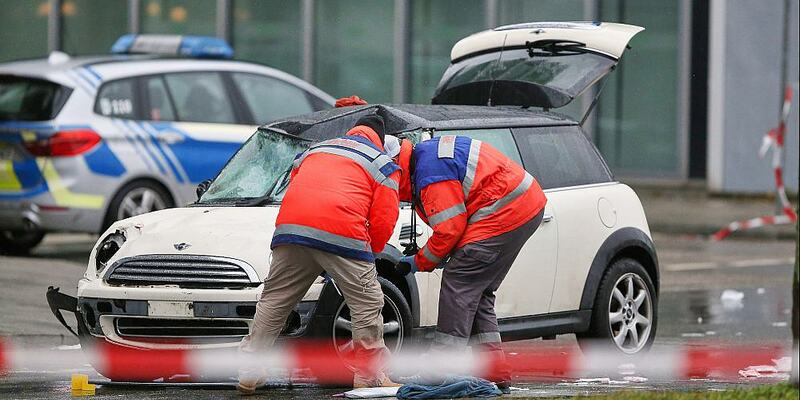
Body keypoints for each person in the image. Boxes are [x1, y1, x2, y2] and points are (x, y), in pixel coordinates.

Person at [237, 113, 403, 394]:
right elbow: (386, 218)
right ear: (380, 139)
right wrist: (367, 256)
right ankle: (369, 375)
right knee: (367, 302)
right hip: (342, 232)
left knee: (275, 300)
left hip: (292, 230)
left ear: (353, 131)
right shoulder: (382, 163)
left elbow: (298, 183)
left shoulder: (317, 149)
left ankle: (249, 371)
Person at [394, 135, 547, 391]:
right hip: (523, 205)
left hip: (504, 211)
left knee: (459, 282)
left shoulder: (429, 173)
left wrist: (420, 261)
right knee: (479, 291)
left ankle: (439, 372)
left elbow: (449, 229)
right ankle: (494, 372)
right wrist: (439, 255)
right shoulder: (426, 158)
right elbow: (457, 218)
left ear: (397, 167)